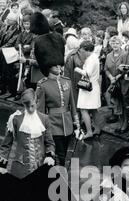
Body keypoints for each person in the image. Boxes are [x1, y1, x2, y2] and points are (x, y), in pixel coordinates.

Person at [35, 31, 80, 166]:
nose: (59, 68)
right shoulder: (43, 85)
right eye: (55, 66)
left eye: (60, 65)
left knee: (66, 155)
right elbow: (41, 110)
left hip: (67, 124)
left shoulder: (67, 81)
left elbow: (72, 104)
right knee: (57, 157)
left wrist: (76, 123)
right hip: (53, 125)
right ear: (49, 66)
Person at [0, 88, 56, 179]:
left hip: (41, 166)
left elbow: (49, 142)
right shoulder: (15, 119)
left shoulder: (44, 119)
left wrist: (49, 156)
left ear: (37, 101)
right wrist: (1, 165)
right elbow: (6, 145)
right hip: (20, 168)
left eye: (32, 106)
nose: (30, 109)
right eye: (27, 107)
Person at [75, 40, 102, 139]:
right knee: (94, 109)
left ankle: (89, 132)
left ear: (86, 50)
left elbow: (88, 73)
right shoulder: (94, 57)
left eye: (82, 50)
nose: (81, 52)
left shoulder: (91, 59)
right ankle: (97, 129)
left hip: (88, 87)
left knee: (83, 109)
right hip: (93, 86)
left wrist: (77, 69)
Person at [105, 35, 129, 134]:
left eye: (117, 43)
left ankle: (125, 124)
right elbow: (106, 69)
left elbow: (127, 68)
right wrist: (111, 77)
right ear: (110, 44)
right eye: (113, 43)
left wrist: (117, 77)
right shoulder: (108, 55)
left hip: (123, 82)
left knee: (123, 103)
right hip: (112, 82)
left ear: (120, 44)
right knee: (116, 102)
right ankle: (120, 122)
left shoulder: (124, 54)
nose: (115, 45)